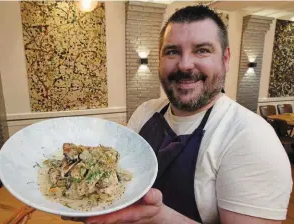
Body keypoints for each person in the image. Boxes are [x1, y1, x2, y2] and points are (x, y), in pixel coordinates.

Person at [68, 5, 293, 224]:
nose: (185, 65)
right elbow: (118, 175)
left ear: (225, 58)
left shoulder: (252, 138)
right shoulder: (145, 112)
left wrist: (158, 218)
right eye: (173, 51)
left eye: (202, 50)